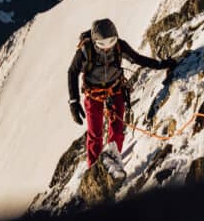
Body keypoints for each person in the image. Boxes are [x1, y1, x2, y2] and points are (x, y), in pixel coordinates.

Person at [68, 18, 175, 167]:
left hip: (115, 89)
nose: (107, 48)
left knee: (117, 130)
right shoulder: (85, 51)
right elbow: (72, 72)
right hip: (94, 94)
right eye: (102, 44)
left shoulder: (119, 46)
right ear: (94, 42)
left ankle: (114, 161)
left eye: (111, 42)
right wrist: (74, 101)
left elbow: (137, 59)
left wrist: (160, 65)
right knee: (95, 133)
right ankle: (94, 169)